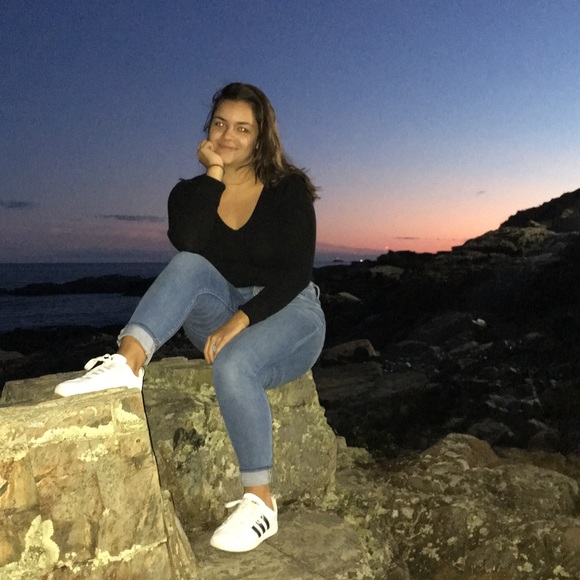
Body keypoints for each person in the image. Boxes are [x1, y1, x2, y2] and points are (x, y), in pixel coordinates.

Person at [54, 82, 326, 553]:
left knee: (234, 365)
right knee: (187, 266)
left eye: (242, 128)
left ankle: (261, 503)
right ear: (208, 130)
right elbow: (191, 243)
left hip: (290, 313)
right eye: (220, 124)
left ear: (261, 137)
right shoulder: (190, 193)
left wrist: (242, 319)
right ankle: (127, 365)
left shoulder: (287, 189)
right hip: (222, 309)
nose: (228, 135)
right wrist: (214, 174)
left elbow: (296, 272)